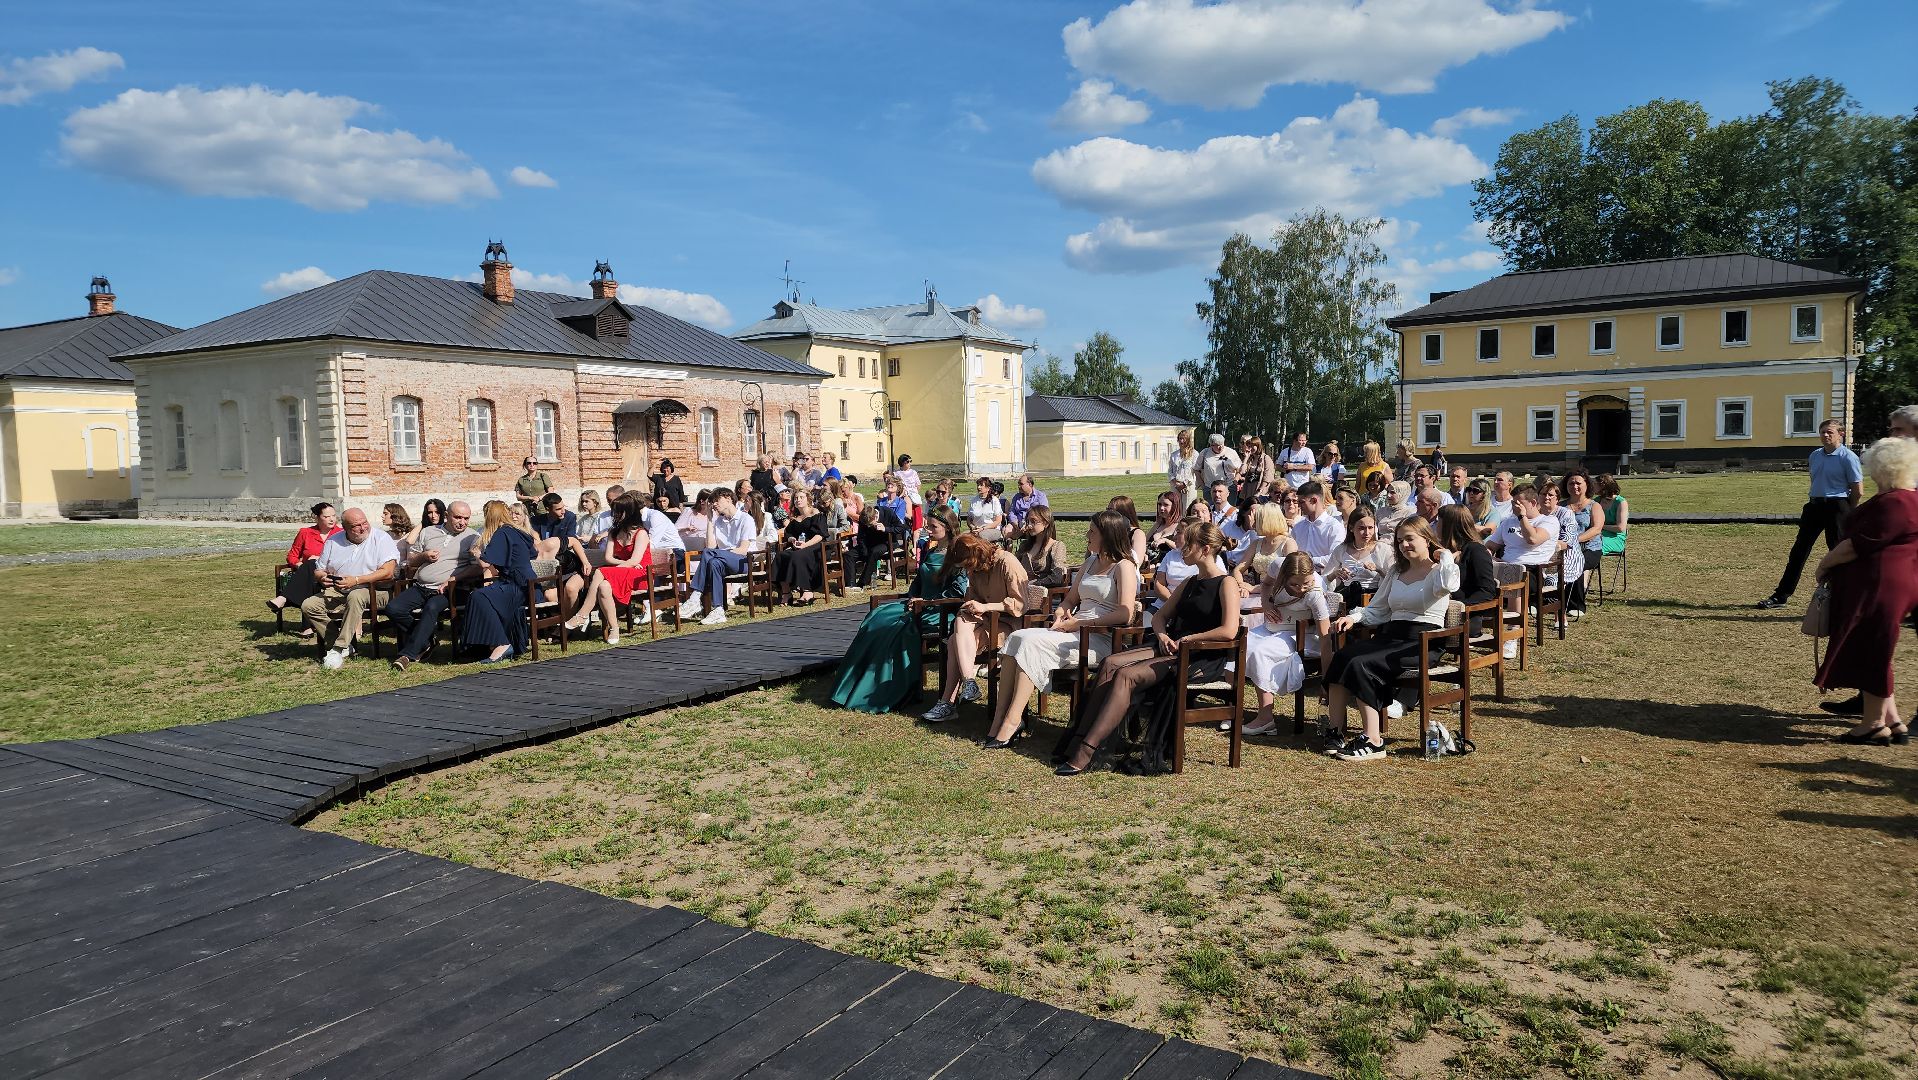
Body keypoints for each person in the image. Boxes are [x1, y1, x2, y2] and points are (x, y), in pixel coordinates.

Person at [1048, 521, 1241, 773]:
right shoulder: (1190, 582)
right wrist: (1162, 636)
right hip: (1171, 645)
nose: (1181, 547)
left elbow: (1229, 630)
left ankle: (1087, 749)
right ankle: (1077, 738)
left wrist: (1190, 640)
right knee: (1110, 663)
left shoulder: (1225, 583)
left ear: (1205, 549)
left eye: (1188, 543)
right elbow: (1160, 617)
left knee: (1127, 675)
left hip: (1200, 655)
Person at [979, 511, 1142, 745]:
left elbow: (1125, 613)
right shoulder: (1090, 562)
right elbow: (1069, 600)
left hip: (1099, 637)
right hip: (1073, 630)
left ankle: (1013, 721)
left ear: (1107, 535)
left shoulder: (1123, 566)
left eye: (1092, 532)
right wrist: (1060, 611)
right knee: (1017, 637)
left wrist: (1080, 623)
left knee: (1030, 643)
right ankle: (999, 718)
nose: (1087, 535)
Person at [1322, 518, 1459, 761]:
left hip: (1422, 642)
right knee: (1343, 656)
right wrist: (1354, 618)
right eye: (1400, 540)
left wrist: (1445, 554)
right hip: (1391, 635)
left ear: (1426, 539)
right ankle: (1335, 731)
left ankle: (1373, 741)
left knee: (1361, 663)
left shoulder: (1440, 571)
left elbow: (1451, 584)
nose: (1404, 545)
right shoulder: (1396, 571)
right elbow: (1379, 608)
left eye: (1410, 539)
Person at [1814, 437, 1918, 744]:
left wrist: (1824, 564)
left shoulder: (1895, 502)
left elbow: (1856, 545)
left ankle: (1873, 724)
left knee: (1874, 652)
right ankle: (1892, 720)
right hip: (1894, 583)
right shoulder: (1909, 499)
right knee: (1877, 650)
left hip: (1881, 585)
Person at [830, 507, 968, 714]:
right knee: (876, 618)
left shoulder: (957, 554)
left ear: (948, 528)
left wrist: (927, 602)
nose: (928, 530)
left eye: (933, 527)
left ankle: (890, 690)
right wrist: (914, 597)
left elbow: (958, 591)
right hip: (918, 604)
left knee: (896, 628)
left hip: (940, 610)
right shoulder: (931, 551)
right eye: (927, 526)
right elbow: (919, 582)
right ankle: (855, 683)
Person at [919, 535, 1029, 721]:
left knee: (954, 640)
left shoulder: (1006, 562)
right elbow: (974, 596)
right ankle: (968, 682)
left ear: (976, 553)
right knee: (959, 626)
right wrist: (972, 606)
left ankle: (948, 702)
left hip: (1009, 625)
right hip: (986, 622)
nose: (968, 570)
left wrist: (986, 607)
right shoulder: (976, 569)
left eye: (968, 565)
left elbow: (1020, 603)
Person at [1759, 419, 1863, 609]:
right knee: (1799, 551)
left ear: (1841, 434)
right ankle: (1781, 595)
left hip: (1837, 507)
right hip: (1814, 506)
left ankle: (1846, 597)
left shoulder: (1848, 457)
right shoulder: (1815, 455)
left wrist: (1848, 511)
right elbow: (1816, 481)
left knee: (1838, 553)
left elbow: (1858, 490)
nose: (1825, 435)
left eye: (1829, 432)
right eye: (1822, 432)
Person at [1242, 551, 1332, 736]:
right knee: (1242, 645)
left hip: (1304, 636)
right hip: (1274, 627)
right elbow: (1266, 584)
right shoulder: (1277, 565)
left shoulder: (1315, 595)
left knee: (1261, 651)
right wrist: (1266, 605)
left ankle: (1265, 717)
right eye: (1294, 584)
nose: (1300, 589)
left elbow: (1325, 637)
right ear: (1283, 575)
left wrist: (1327, 679)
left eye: (1306, 583)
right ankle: (1232, 710)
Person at [385, 500, 482, 671]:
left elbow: (477, 568)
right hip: (421, 586)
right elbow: (411, 561)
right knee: (393, 608)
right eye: (458, 517)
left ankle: (408, 655)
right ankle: (427, 639)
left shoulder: (472, 537)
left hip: (451, 590)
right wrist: (424, 556)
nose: (462, 522)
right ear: (446, 516)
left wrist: (454, 578)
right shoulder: (428, 532)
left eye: (466, 518)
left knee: (431, 607)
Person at [301, 507, 401, 670]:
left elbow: (388, 572)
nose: (363, 528)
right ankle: (343, 644)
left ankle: (338, 648)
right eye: (357, 526)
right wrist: (322, 577)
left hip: (377, 590)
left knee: (356, 595)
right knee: (309, 605)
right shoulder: (334, 541)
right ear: (346, 528)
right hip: (340, 589)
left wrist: (355, 580)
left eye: (365, 522)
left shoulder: (381, 538)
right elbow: (319, 569)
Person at [461, 500, 537, 664]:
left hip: (517, 586)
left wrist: (475, 553)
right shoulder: (517, 530)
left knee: (478, 597)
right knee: (483, 596)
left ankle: (501, 643)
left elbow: (486, 562)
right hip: (528, 585)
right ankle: (491, 644)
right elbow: (532, 553)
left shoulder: (503, 532)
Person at [684, 489, 758, 624]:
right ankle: (718, 609)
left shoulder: (745, 519)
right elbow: (711, 546)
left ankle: (695, 596)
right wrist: (710, 520)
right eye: (712, 502)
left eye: (716, 500)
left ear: (729, 499)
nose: (714, 504)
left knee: (708, 554)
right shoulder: (719, 521)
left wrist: (723, 553)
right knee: (713, 564)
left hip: (744, 561)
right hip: (724, 561)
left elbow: (742, 550)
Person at [267, 502, 340, 627]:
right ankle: (308, 626)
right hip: (308, 574)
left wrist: (318, 559)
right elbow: (292, 556)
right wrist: (299, 564)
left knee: (313, 562)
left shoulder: (341, 534)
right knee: (311, 567)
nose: (331, 519)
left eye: (333, 515)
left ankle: (284, 598)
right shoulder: (305, 533)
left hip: (331, 573)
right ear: (317, 518)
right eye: (326, 517)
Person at [593, 493, 654, 632]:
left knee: (600, 571)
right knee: (603, 586)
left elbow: (636, 561)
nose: (614, 515)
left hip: (640, 574)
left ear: (629, 513)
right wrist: (624, 564)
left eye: (618, 512)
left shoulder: (641, 533)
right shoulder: (614, 532)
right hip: (624, 569)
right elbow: (608, 558)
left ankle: (582, 614)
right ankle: (614, 627)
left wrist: (622, 565)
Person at [1324, 505, 1392, 614]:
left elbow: (1393, 578)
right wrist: (1336, 574)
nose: (1367, 533)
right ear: (1351, 528)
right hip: (1347, 597)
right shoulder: (1342, 549)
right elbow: (1326, 579)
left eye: (1370, 528)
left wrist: (1378, 570)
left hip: (1373, 599)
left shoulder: (1381, 548)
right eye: (1361, 528)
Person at [1560, 470, 1604, 618]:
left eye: (1578, 483)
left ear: (1587, 485)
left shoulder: (1594, 506)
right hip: (1562, 549)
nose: (1574, 486)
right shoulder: (1560, 507)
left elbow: (1596, 529)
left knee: (1575, 563)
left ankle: (1576, 605)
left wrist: (1574, 540)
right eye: (1571, 483)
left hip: (1590, 549)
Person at [773, 489, 828, 605]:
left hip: (815, 546)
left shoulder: (816, 514)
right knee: (780, 556)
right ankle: (786, 592)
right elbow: (789, 534)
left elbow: (820, 535)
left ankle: (807, 590)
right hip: (799, 546)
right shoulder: (796, 519)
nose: (798, 500)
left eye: (801, 497)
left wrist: (806, 545)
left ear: (808, 499)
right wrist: (791, 539)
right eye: (796, 498)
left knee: (798, 556)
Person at [1541, 481, 1586, 619]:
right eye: (1543, 494)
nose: (1546, 497)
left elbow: (1567, 541)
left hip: (1567, 556)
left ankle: (1559, 616)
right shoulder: (1536, 514)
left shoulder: (1566, 513)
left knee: (1552, 577)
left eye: (1550, 495)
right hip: (1541, 554)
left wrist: (1544, 544)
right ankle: (1532, 605)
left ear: (1557, 499)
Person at [1289, 480, 1345, 571]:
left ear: (1314, 500)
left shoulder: (1334, 526)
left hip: (1324, 579)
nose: (1299, 506)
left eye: (1302, 502)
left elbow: (1335, 557)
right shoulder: (1298, 527)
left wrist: (1306, 561)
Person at [1015, 506, 1069, 590]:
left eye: (1033, 521)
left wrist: (1034, 584)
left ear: (1046, 523)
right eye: (1027, 521)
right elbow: (1014, 569)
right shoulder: (1024, 545)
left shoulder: (1056, 546)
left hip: (1041, 595)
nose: (1029, 525)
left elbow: (1057, 577)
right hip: (1020, 590)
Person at [849, 505, 893, 589]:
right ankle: (850, 584)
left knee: (874, 552)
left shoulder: (888, 512)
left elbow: (901, 528)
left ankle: (862, 582)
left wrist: (886, 529)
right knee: (849, 554)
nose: (868, 526)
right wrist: (864, 551)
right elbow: (860, 537)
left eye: (869, 524)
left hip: (885, 542)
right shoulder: (864, 517)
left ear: (875, 517)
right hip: (869, 543)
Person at [1106, 495, 1149, 563]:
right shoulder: (1107, 531)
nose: (1107, 514)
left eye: (1111, 511)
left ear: (1123, 513)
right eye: (1107, 510)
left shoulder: (1137, 534)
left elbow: (1137, 562)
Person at [1596, 473, 1629, 560]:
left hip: (1615, 538)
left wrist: (1600, 527)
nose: (1592, 487)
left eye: (1595, 484)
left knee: (1594, 545)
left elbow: (1620, 528)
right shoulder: (1597, 501)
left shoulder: (1620, 502)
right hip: (1598, 534)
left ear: (1603, 486)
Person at [1006, 474, 1048, 539]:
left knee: (1033, 527)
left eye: (1021, 484)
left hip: (1033, 523)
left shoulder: (1040, 496)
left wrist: (1030, 522)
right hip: (1017, 523)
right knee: (1006, 530)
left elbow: (1044, 512)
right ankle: (1007, 548)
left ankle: (1020, 535)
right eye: (1018, 484)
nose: (1018, 486)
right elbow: (1012, 513)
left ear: (1030, 484)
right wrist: (1015, 524)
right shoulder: (1016, 497)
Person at [1167, 429, 1201, 510]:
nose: (1181, 441)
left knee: (1187, 508)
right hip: (1175, 486)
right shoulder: (1174, 455)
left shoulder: (1194, 454)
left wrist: (1184, 484)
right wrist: (1176, 483)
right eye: (1180, 439)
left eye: (1184, 439)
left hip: (1188, 486)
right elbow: (1170, 471)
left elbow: (1195, 471)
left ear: (1188, 440)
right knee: (1176, 508)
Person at [1146, 492, 1184, 563]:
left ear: (1174, 506)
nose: (1161, 508)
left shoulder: (1180, 526)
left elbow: (1182, 549)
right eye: (1159, 504)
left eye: (1166, 505)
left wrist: (1166, 541)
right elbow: (1145, 542)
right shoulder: (1158, 524)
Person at [1237, 436, 1276, 505]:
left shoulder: (1266, 458)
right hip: (1248, 490)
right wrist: (1246, 458)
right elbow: (1242, 472)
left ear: (1258, 446)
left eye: (1252, 446)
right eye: (1249, 446)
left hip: (1261, 492)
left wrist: (1259, 491)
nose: (1250, 448)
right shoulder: (1250, 459)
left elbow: (1268, 477)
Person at [966, 477, 1005, 541]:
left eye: (981, 485)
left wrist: (983, 528)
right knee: (962, 537)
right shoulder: (974, 500)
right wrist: (973, 527)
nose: (978, 487)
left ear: (988, 488)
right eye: (978, 485)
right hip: (976, 529)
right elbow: (969, 519)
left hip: (992, 530)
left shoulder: (994, 500)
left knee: (981, 536)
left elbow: (998, 521)